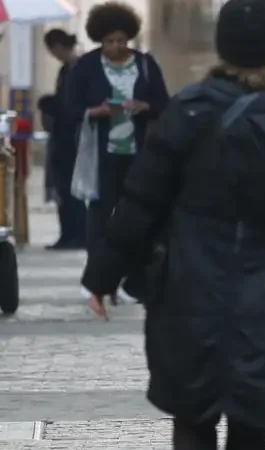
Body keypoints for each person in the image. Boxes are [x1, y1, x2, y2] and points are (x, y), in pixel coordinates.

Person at [79, 1, 265, 449]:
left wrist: (102, 275)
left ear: (222, 47)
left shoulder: (187, 114)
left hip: (188, 292)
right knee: (253, 419)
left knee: (193, 415)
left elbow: (141, 203)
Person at [69, 1, 170, 303]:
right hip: (102, 154)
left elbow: (164, 104)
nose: (116, 46)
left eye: (121, 40)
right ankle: (98, 280)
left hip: (139, 153)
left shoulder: (145, 65)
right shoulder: (86, 66)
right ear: (100, 39)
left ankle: (134, 280)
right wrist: (97, 111)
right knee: (99, 218)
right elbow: (71, 107)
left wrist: (144, 107)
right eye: (110, 41)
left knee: (139, 216)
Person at [39, 29, 86, 250]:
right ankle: (68, 233)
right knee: (62, 188)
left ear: (58, 46)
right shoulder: (66, 69)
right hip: (63, 136)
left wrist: (53, 105)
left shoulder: (77, 68)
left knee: (71, 189)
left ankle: (76, 234)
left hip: (73, 137)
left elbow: (72, 104)